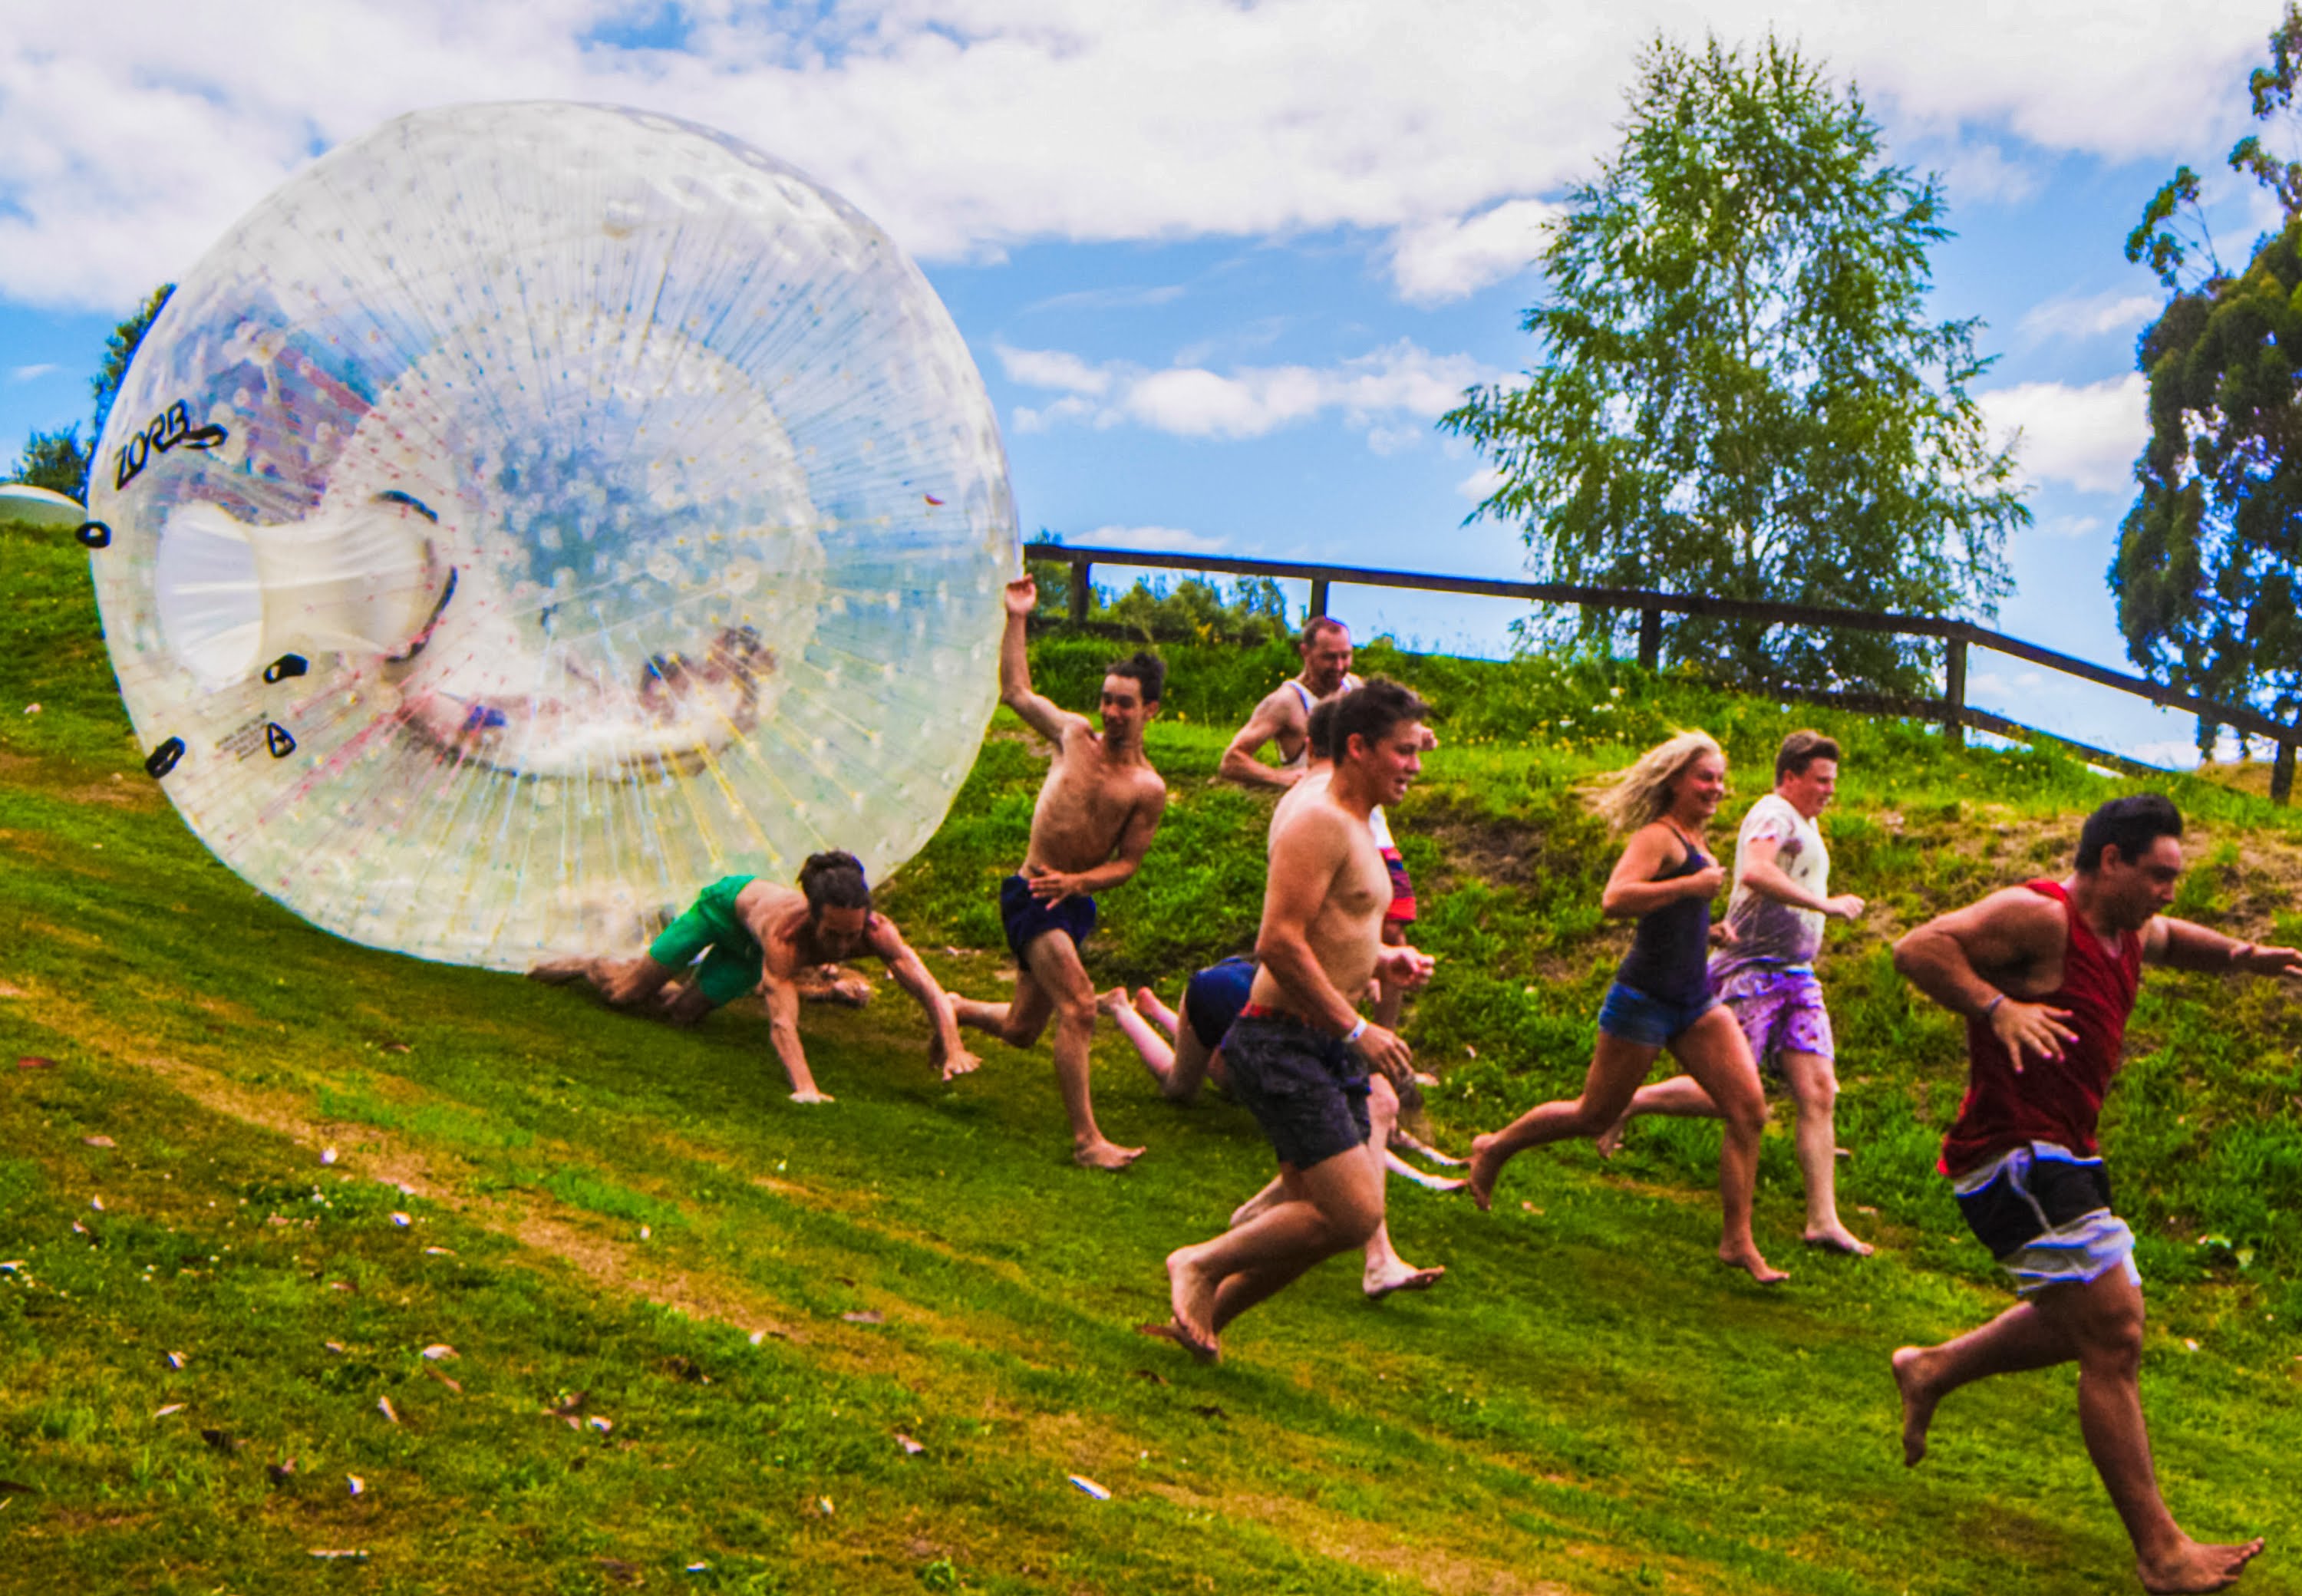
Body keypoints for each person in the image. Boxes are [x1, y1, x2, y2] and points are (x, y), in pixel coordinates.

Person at [1888, 794, 2295, 1595]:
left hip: (2065, 1150)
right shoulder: (2039, 917)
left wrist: (2242, 956)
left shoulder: (2129, 930)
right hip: (2012, 1154)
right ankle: (2161, 1550)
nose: (2170, 892)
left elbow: (2177, 942)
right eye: (2160, 875)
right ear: (2111, 860)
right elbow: (1917, 947)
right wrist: (1996, 1006)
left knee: (2088, 1318)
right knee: (2115, 1331)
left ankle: (1933, 1367)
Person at [1156, 681, 1437, 1360]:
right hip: (1285, 1039)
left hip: (1323, 1041)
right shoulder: (1321, 821)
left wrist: (1382, 962)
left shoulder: (1360, 826)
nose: (1415, 766)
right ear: (1358, 747)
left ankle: (1205, 1323)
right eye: (1402, 752)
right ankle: (1196, 1263)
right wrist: (1355, 1026)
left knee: (1326, 1220)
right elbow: (1277, 941)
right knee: (1354, 1213)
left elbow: (1333, 927)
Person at [1466, 730, 1786, 1284]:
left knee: (1748, 1109)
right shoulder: (1658, 837)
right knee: (1593, 1112)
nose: (1717, 788)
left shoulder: (1696, 836)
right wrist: (1690, 888)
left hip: (1694, 1000)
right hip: (1643, 999)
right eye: (1705, 777)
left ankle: (1738, 1241)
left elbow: (1669, 912)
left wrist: (1708, 930)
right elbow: (1615, 899)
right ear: (1675, 781)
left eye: (1720, 778)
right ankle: (1494, 1147)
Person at [1597, 730, 1873, 1255]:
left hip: (1796, 975)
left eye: (1833, 781)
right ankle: (1627, 1103)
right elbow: (1758, 871)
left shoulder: (1805, 822)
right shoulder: (1772, 813)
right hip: (1753, 973)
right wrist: (1826, 905)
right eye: (1820, 780)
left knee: (1818, 1090)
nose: (1829, 790)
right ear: (1790, 776)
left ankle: (1823, 1220)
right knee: (1732, 1092)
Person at [948, 575, 1169, 1169]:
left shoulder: (1148, 788)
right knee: (1077, 1007)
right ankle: (1087, 1142)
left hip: (1071, 901)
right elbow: (1017, 692)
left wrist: (1079, 885)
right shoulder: (1073, 737)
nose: (1112, 711)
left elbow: (1127, 864)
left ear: (1150, 709)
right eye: (1107, 699)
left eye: (1126, 702)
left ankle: (956, 1006)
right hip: (1031, 893)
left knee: (1022, 1028)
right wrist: (1018, 615)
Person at [529, 852, 979, 1103]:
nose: (844, 947)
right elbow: (782, 1021)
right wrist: (806, 1089)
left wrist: (953, 1046)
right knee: (626, 996)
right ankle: (591, 963)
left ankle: (662, 981)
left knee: (681, 1014)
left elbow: (929, 989)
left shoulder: (879, 934)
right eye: (832, 935)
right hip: (722, 911)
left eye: (852, 935)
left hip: (751, 948)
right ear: (812, 916)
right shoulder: (785, 939)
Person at [1217, 616, 1359, 787]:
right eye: (1329, 657)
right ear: (1305, 653)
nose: (1339, 666)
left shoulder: (1355, 688)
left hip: (1364, 810)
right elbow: (1232, 761)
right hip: (1312, 808)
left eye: (1345, 656)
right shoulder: (1286, 703)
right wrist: (1282, 778)